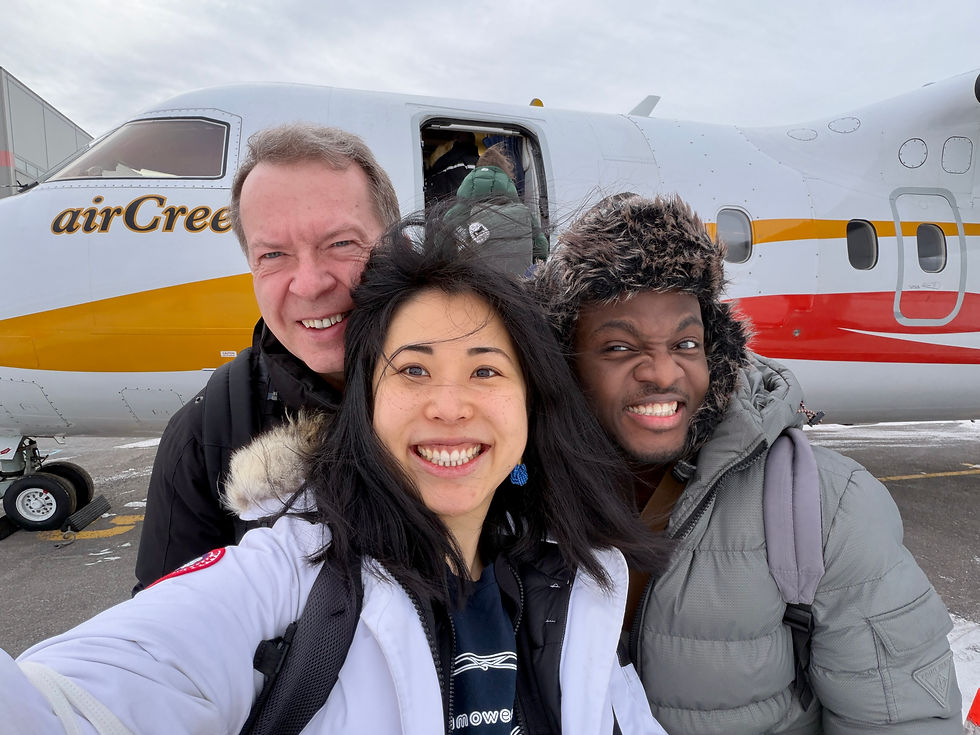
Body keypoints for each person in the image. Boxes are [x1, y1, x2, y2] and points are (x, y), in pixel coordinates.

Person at [1, 209, 671, 734]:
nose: (448, 404)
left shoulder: (578, 583)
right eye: (412, 369)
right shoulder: (290, 580)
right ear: (366, 409)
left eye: (486, 369)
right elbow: (82, 694)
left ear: (531, 405)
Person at [535, 192, 963, 734]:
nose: (663, 372)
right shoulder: (514, 503)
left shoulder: (828, 509)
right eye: (620, 347)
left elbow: (902, 720)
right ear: (566, 360)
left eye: (686, 343)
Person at [133, 123, 400, 592]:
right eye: (274, 254)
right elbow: (166, 639)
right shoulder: (207, 435)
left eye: (341, 244)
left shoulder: (497, 389)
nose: (310, 283)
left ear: (396, 244)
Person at [446, 142, 549, 273]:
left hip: (470, 287)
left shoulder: (455, 213)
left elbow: (441, 249)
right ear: (507, 174)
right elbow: (541, 247)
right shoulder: (523, 212)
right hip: (513, 287)